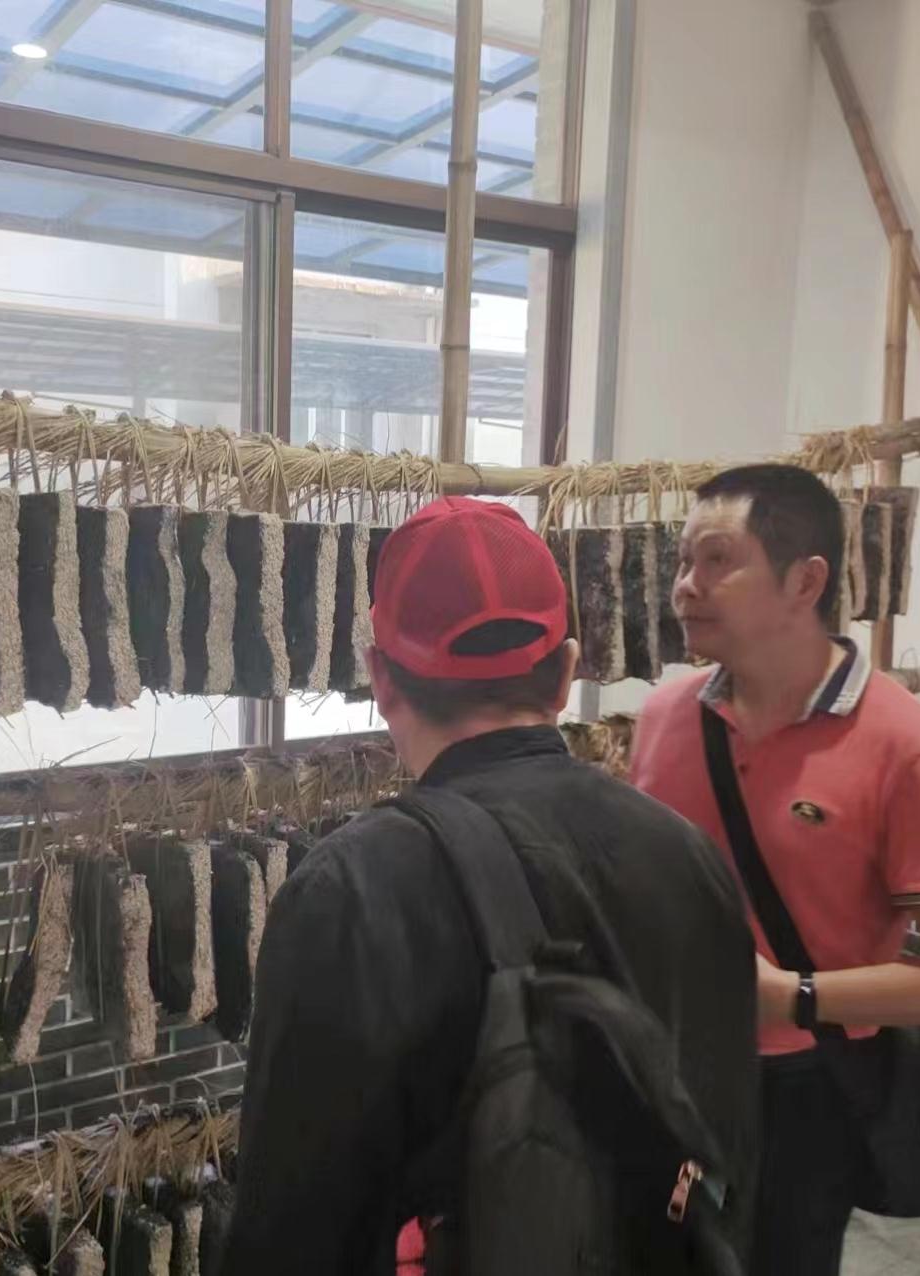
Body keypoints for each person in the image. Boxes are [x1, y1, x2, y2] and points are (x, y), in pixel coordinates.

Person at [223, 496, 758, 1275]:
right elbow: (728, 1153)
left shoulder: (349, 894)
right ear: (567, 672)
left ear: (381, 677)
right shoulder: (691, 857)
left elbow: (291, 1234)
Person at [630, 464, 920, 1276]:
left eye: (716, 560)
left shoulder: (905, 747)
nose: (685, 586)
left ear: (806, 582)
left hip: (803, 1089)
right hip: (661, 1066)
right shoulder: (665, 717)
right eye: (683, 561)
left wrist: (793, 997)